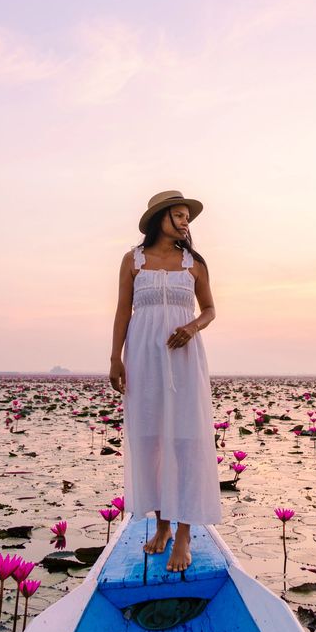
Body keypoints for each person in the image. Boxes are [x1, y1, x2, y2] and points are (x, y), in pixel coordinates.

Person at [109, 190, 222, 572]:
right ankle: (162, 525)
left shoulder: (194, 263)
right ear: (160, 218)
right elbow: (123, 310)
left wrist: (191, 327)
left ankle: (185, 534)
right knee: (149, 439)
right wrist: (115, 358)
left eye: (187, 217)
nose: (185, 222)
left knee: (186, 442)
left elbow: (210, 310)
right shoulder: (133, 261)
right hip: (142, 357)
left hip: (184, 359)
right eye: (178, 215)